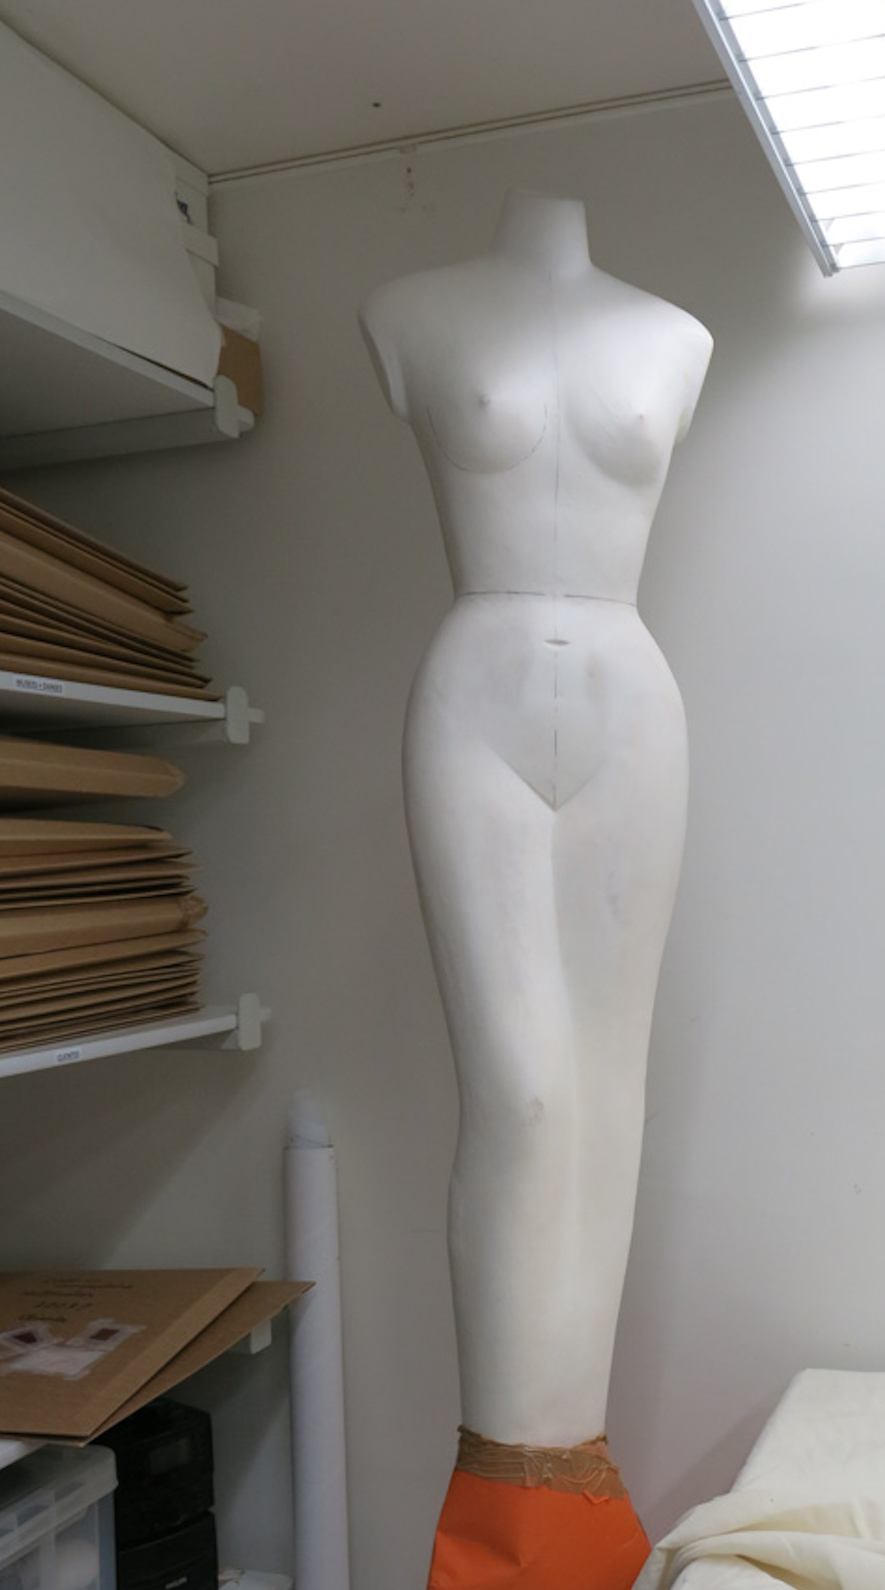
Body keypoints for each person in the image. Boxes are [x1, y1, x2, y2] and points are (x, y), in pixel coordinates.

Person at [362, 188, 713, 1451]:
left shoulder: (674, 335)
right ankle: (504, 1466)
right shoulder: (407, 312)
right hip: (478, 696)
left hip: (629, 703)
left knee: (608, 1098)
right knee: (518, 1093)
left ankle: (572, 1467)